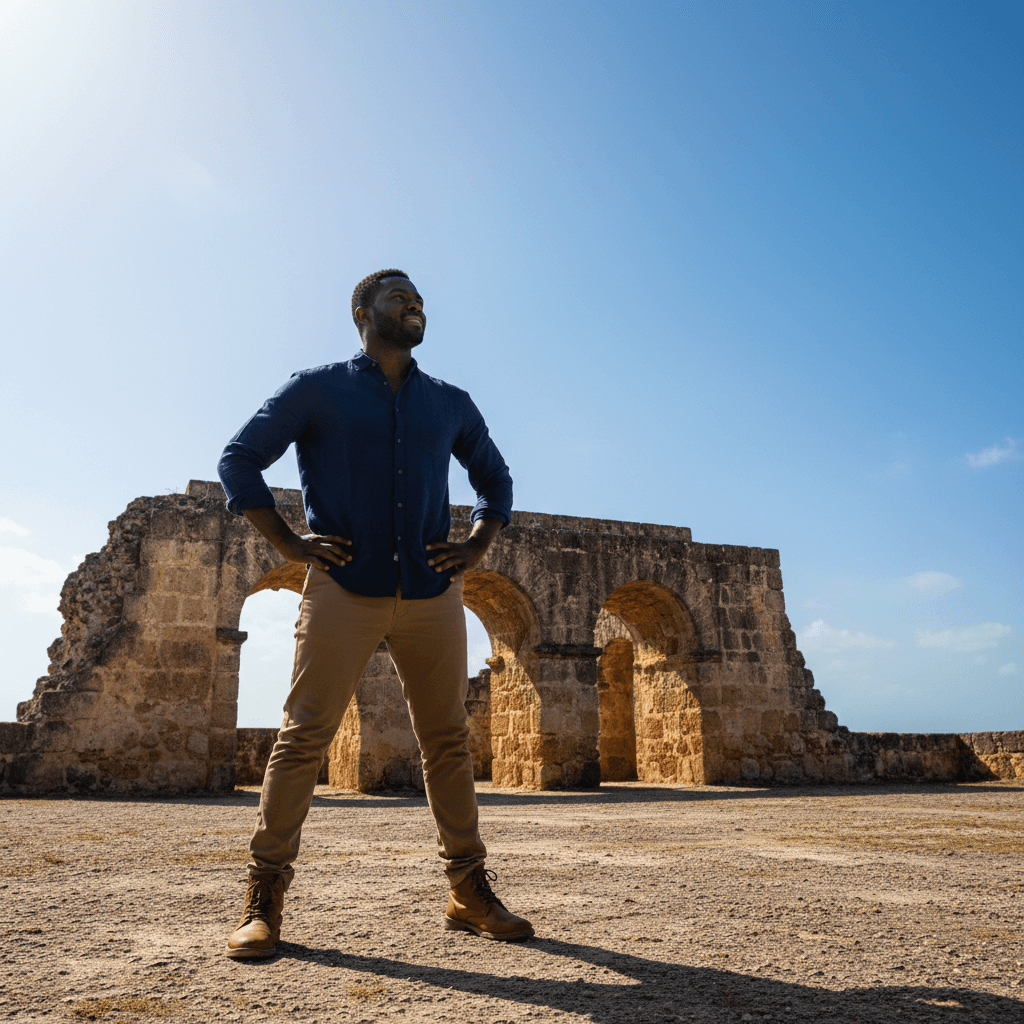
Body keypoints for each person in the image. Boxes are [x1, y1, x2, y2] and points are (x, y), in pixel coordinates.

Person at [217, 268, 532, 959]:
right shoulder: (316, 388)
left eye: (420, 300)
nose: (414, 306)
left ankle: (467, 889)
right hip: (341, 588)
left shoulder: (450, 402)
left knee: (448, 741)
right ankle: (263, 896)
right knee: (302, 739)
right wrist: (287, 542)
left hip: (430, 591)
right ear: (362, 311)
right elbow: (239, 458)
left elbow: (495, 477)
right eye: (399, 297)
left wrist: (479, 540)